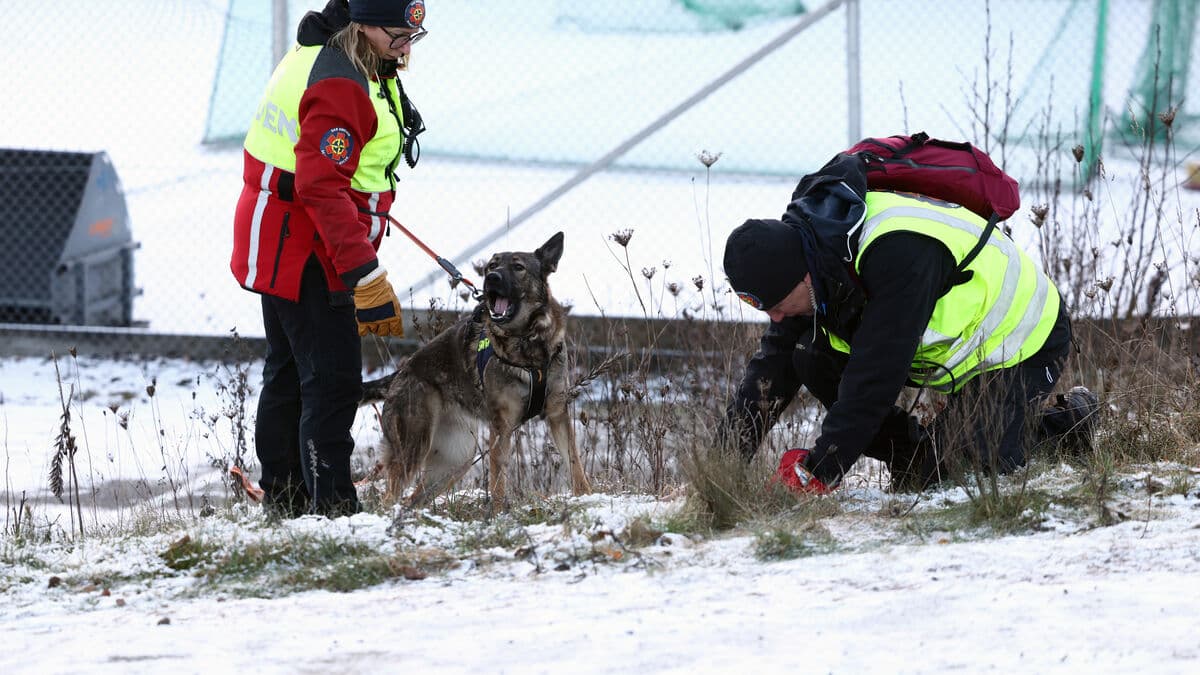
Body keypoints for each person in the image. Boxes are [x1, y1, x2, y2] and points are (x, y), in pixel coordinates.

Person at [719, 176, 1100, 494]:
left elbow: (876, 377)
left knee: (961, 477)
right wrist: (723, 466)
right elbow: (770, 373)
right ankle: (914, 458)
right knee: (808, 353)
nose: (775, 317)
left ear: (802, 276)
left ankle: (1070, 423)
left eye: (778, 304)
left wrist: (820, 470)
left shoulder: (895, 252)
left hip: (1022, 339)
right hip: (960, 348)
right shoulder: (813, 261)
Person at [230, 0, 428, 517]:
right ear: (363, 25)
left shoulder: (335, 50)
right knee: (333, 382)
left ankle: (287, 498)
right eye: (398, 35)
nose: (406, 47)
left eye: (414, 35)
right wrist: (364, 274)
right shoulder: (341, 81)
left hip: (285, 234)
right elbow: (320, 185)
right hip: (309, 248)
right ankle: (334, 509)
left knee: (291, 373)